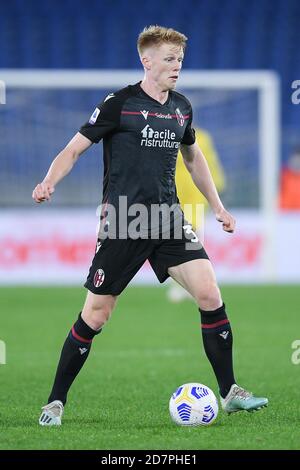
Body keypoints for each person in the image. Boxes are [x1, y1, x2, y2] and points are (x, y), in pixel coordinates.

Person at [32, 25, 268, 426]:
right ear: (147, 60)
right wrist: (49, 180)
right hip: (125, 221)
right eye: (170, 59)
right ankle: (55, 402)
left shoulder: (181, 107)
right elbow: (74, 149)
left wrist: (218, 207)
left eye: (180, 59)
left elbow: (194, 158)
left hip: (169, 220)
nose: (177, 66)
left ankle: (229, 392)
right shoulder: (118, 103)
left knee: (209, 292)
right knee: (96, 315)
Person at [167, 127, 226, 302]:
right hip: (173, 190)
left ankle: (192, 284)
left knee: (192, 234)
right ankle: (182, 283)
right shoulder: (167, 133)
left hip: (195, 192)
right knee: (177, 236)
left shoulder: (202, 138)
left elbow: (210, 163)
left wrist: (217, 188)